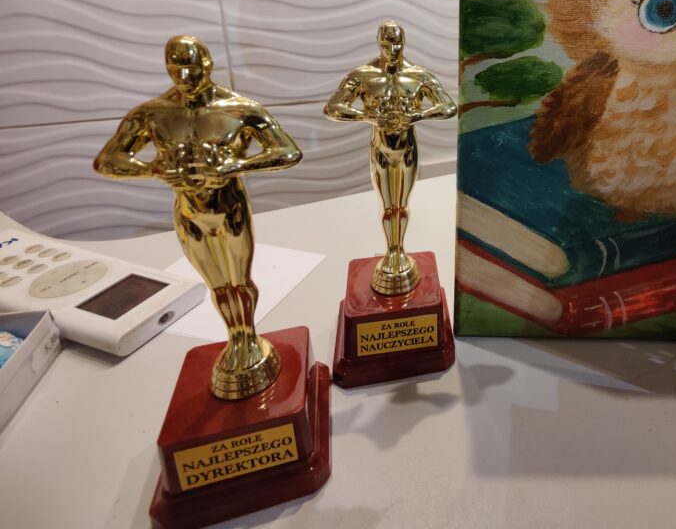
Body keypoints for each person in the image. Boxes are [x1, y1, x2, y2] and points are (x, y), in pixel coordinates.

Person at [94, 36, 302, 399]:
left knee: (239, 281)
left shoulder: (239, 109)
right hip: (188, 210)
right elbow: (109, 160)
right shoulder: (152, 114)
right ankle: (237, 339)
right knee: (217, 285)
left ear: (207, 65)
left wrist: (234, 165)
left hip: (229, 205)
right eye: (177, 69)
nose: (185, 76)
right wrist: (153, 169)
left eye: (191, 67)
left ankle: (247, 338)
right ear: (168, 68)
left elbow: (287, 152)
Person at [324, 21, 456, 295]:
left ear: (404, 42)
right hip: (381, 148)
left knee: (402, 205)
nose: (392, 49)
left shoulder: (418, 76)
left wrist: (416, 115)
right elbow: (333, 108)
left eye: (396, 43)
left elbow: (448, 106)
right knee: (387, 207)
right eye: (387, 43)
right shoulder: (363, 76)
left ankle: (399, 254)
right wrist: (370, 116)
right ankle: (392, 253)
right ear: (379, 42)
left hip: (407, 148)